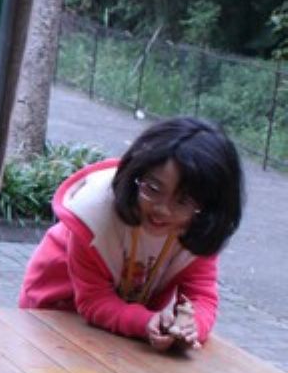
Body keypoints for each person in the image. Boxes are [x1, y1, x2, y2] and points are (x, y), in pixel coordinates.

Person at [18, 117, 243, 350]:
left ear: (209, 208)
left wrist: (191, 328)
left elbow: (201, 297)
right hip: (54, 311)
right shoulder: (93, 217)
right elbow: (94, 300)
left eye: (183, 201)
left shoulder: (197, 230)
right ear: (136, 174)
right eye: (153, 189)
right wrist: (144, 322)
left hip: (119, 321)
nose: (163, 209)